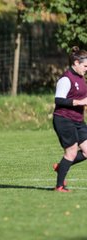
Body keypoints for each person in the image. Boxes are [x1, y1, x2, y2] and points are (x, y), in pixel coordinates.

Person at [53, 46, 87, 192]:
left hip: (78, 120)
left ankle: (61, 166)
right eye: (85, 66)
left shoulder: (81, 78)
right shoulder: (66, 79)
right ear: (76, 63)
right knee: (72, 152)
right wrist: (80, 102)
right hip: (64, 119)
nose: (86, 68)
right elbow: (59, 100)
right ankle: (59, 186)